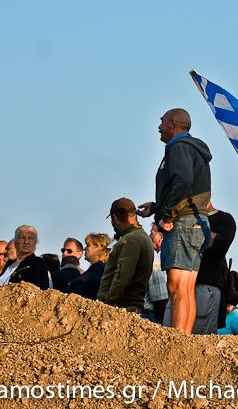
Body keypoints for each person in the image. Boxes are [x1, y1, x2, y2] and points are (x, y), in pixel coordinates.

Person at [137, 108, 212, 334]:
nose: (158, 127)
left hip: (182, 224)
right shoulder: (194, 150)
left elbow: (183, 180)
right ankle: (184, 339)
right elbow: (188, 188)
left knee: (176, 287)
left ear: (173, 123)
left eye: (161, 122)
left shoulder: (178, 148)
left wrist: (167, 215)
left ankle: (178, 341)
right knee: (187, 287)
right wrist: (157, 208)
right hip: (197, 223)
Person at [98, 198, 154, 312]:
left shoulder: (130, 240)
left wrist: (107, 305)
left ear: (114, 218)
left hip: (122, 309)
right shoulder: (142, 237)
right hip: (131, 307)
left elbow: (122, 277)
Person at [191, 201, 236, 334]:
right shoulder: (186, 220)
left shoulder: (224, 219)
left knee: (199, 339)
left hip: (206, 286)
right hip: (184, 286)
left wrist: (195, 229)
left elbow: (221, 244)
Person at [0, 225, 50, 289]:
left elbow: (42, 291)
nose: (26, 242)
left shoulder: (38, 263)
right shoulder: (9, 263)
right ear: (15, 242)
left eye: (31, 238)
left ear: (35, 243)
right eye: (22, 238)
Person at [67, 233, 111, 299]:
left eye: (88, 245)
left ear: (99, 247)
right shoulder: (104, 267)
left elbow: (77, 285)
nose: (84, 249)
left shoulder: (98, 268)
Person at [143, 224, 169, 323]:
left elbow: (160, 300)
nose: (150, 235)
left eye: (152, 233)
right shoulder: (155, 260)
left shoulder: (154, 262)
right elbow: (160, 299)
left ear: (161, 237)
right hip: (148, 314)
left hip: (147, 315)